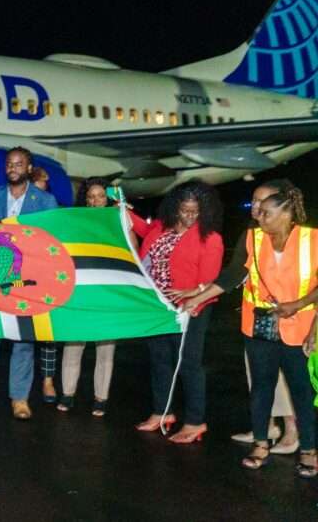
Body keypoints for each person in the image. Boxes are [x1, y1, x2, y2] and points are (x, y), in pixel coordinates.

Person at [170, 182, 317, 476]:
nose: (258, 217)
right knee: (261, 388)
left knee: (302, 391)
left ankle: (310, 450)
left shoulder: (312, 240)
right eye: (257, 211)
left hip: (298, 326)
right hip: (258, 326)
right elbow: (233, 275)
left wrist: (298, 304)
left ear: (284, 214)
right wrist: (196, 297)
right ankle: (261, 443)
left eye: (265, 212)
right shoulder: (253, 238)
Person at [0, 147, 57, 420]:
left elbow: (51, 245)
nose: (13, 168)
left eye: (19, 164)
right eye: (9, 164)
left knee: (24, 341)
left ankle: (20, 399)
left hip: (28, 284)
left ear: (29, 168)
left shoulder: (45, 201)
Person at [131, 181, 224, 443]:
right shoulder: (161, 228)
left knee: (189, 364)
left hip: (191, 309)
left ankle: (195, 421)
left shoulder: (210, 238)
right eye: (185, 210)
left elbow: (210, 282)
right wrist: (121, 210)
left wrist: (194, 300)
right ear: (175, 208)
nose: (191, 216)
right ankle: (162, 412)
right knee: (159, 361)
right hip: (157, 307)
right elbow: (140, 228)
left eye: (196, 211)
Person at [221, 182, 299, 450]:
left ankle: (292, 431)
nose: (256, 207)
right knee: (260, 376)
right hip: (256, 320)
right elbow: (236, 273)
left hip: (290, 320)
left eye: (263, 202)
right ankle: (264, 427)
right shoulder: (252, 235)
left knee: (286, 377)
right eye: (254, 201)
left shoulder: (292, 236)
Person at [58, 177, 117, 416]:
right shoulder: (76, 221)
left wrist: (124, 216)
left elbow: (131, 248)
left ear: (107, 198)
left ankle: (101, 397)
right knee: (73, 344)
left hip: (107, 291)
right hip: (80, 290)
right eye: (90, 197)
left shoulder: (116, 221)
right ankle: (68, 393)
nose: (95, 201)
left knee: (106, 347)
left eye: (100, 196)